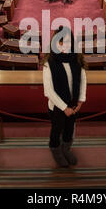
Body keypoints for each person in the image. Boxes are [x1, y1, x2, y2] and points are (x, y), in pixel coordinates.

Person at [42, 27, 87, 168]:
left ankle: (66, 149)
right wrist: (64, 108)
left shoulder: (77, 58)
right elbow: (48, 91)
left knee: (69, 129)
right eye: (60, 42)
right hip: (57, 107)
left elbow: (83, 80)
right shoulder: (49, 62)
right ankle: (55, 149)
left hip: (73, 105)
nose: (63, 46)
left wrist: (80, 100)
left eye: (66, 42)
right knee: (57, 129)